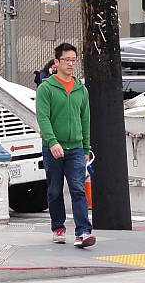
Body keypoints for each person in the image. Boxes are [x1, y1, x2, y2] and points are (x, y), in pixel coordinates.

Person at [35, 42, 95, 248]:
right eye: (67, 60)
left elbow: (85, 119)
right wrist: (52, 142)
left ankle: (83, 232)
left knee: (78, 188)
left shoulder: (81, 89)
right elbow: (43, 118)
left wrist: (86, 148)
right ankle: (58, 227)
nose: (70, 64)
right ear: (57, 62)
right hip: (53, 148)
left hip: (76, 148)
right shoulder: (46, 88)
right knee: (54, 190)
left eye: (73, 60)